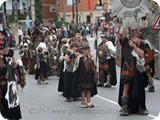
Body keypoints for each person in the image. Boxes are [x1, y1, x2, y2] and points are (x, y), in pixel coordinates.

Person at [118, 25, 149, 116]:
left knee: (139, 87)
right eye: (132, 30)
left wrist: (134, 46)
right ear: (129, 31)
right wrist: (125, 21)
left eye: (136, 30)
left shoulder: (141, 42)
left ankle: (141, 108)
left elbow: (142, 54)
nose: (134, 32)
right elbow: (120, 33)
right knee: (126, 87)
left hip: (138, 67)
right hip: (127, 66)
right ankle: (125, 108)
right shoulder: (125, 41)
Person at [0, 33, 22, 119]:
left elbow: (14, 66)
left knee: (10, 107)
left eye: (2, 40)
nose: (1, 42)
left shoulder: (8, 52)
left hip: (8, 84)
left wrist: (19, 78)